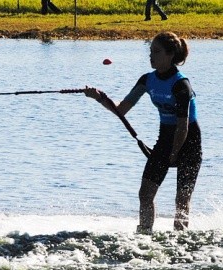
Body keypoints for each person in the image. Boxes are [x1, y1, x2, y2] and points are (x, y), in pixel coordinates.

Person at [84, 32, 202, 234]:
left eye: (156, 52)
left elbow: (183, 127)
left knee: (182, 200)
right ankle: (144, 236)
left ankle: (181, 241)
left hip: (188, 141)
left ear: (170, 54)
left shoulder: (181, 85)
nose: (151, 56)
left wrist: (173, 155)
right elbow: (121, 110)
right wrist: (99, 98)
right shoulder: (147, 80)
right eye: (150, 51)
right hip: (165, 138)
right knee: (145, 194)